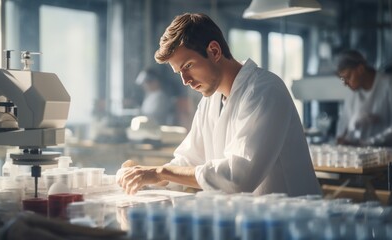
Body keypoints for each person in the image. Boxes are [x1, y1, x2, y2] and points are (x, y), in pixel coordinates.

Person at [116, 13, 321, 196]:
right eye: (180, 72)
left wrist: (160, 172)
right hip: (248, 220)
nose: (185, 80)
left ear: (214, 51)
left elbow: (238, 177)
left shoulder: (264, 90)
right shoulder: (210, 101)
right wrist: (145, 177)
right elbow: (189, 161)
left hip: (290, 221)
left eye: (188, 66)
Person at [335, 50, 392, 147]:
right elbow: (341, 133)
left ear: (360, 69)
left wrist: (369, 142)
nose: (345, 84)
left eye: (348, 77)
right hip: (359, 154)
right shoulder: (352, 93)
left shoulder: (388, 84)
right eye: (342, 79)